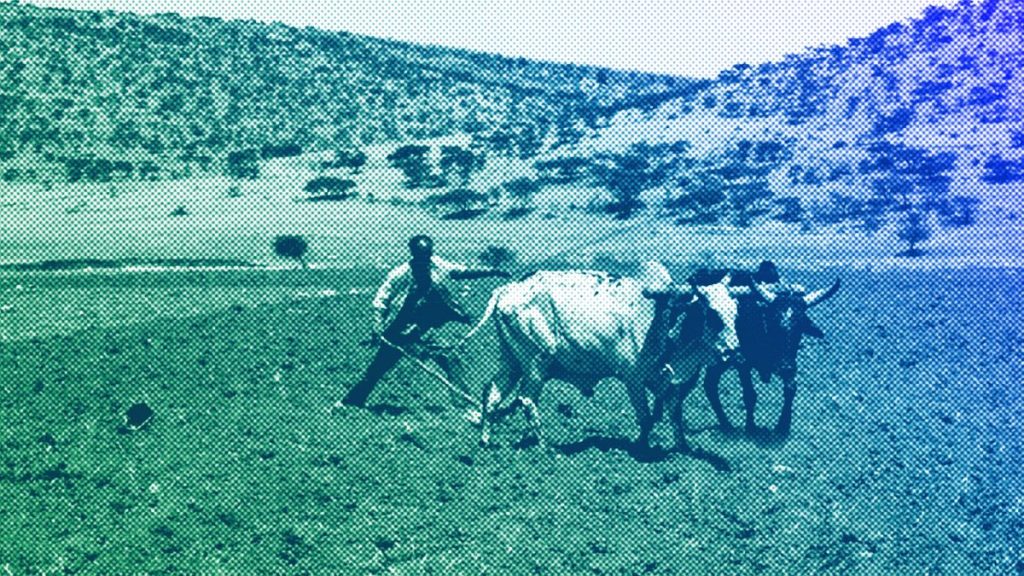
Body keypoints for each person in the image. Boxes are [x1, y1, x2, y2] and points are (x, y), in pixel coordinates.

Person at [338, 235, 511, 408]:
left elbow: (460, 272)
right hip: (399, 328)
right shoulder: (402, 273)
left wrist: (491, 271)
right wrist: (377, 324)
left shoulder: (437, 264)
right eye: (421, 257)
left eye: (427, 255)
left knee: (451, 358)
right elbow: (382, 299)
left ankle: (464, 405)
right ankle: (352, 401)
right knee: (378, 368)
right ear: (413, 255)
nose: (425, 260)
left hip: (424, 328)